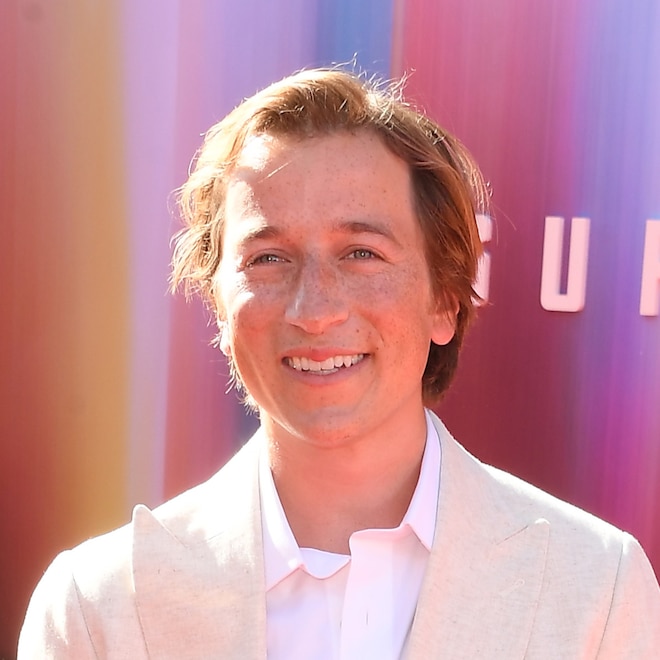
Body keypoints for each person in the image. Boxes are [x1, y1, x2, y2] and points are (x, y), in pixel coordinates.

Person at [19, 68, 660, 658]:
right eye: (268, 259)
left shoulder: (596, 591)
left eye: (361, 254)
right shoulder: (98, 611)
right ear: (217, 306)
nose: (315, 310)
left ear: (445, 300)